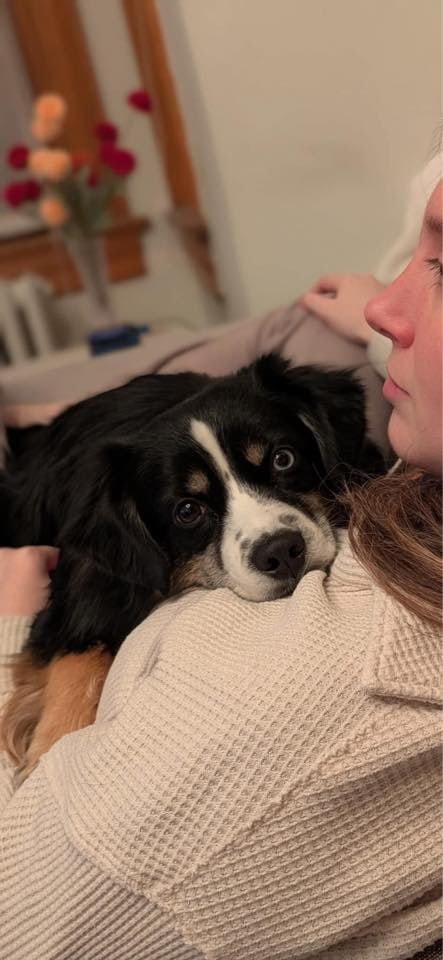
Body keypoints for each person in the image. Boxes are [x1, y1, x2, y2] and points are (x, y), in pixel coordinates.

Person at [0, 168, 441, 960]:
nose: (386, 304)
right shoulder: (395, 450)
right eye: (416, 255)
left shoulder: (342, 682)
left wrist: (8, 625)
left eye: (441, 267)